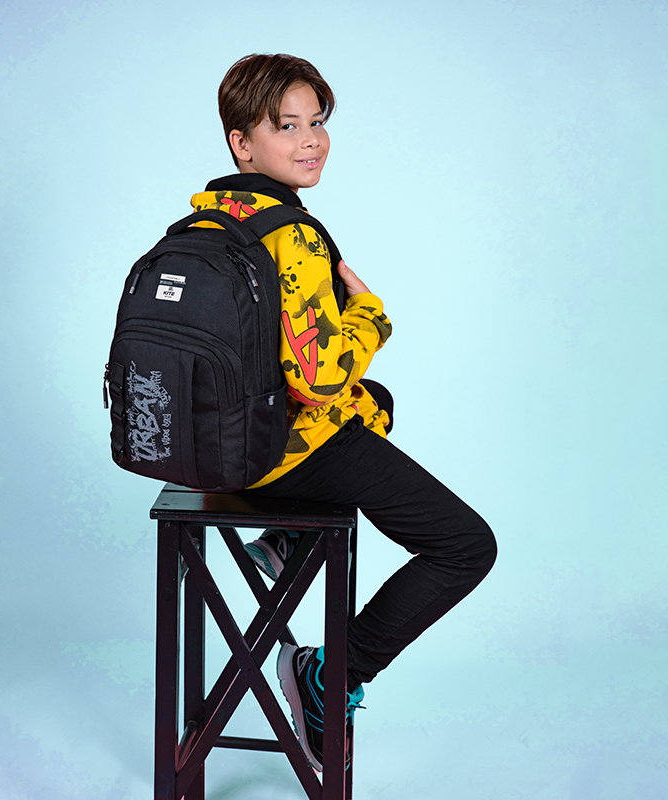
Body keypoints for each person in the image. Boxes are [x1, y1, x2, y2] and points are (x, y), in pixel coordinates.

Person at [189, 53, 497, 773]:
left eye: (318, 122)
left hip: (218, 448)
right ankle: (330, 673)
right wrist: (370, 317)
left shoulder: (209, 219)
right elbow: (322, 379)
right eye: (287, 126)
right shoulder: (291, 235)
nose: (311, 141)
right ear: (242, 143)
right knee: (464, 546)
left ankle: (286, 536)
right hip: (285, 453)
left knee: (377, 403)